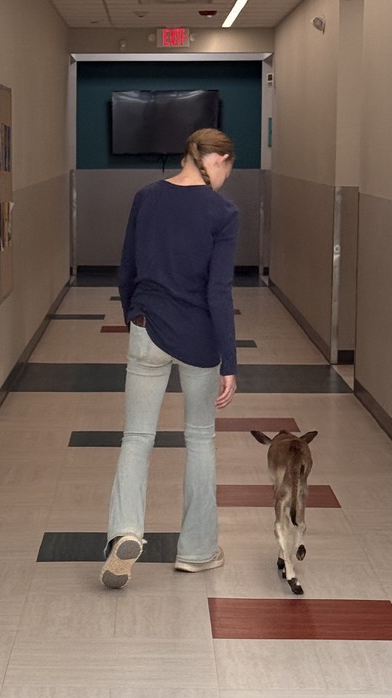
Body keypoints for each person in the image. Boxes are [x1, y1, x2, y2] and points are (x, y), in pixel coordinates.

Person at [100, 128, 239, 590]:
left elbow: (127, 268)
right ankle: (197, 551)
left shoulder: (146, 197)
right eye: (227, 168)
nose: (225, 178)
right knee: (199, 440)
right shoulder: (223, 212)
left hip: (147, 329)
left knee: (136, 438)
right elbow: (218, 291)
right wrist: (231, 362)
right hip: (199, 339)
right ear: (217, 159)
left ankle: (125, 531)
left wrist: (134, 315)